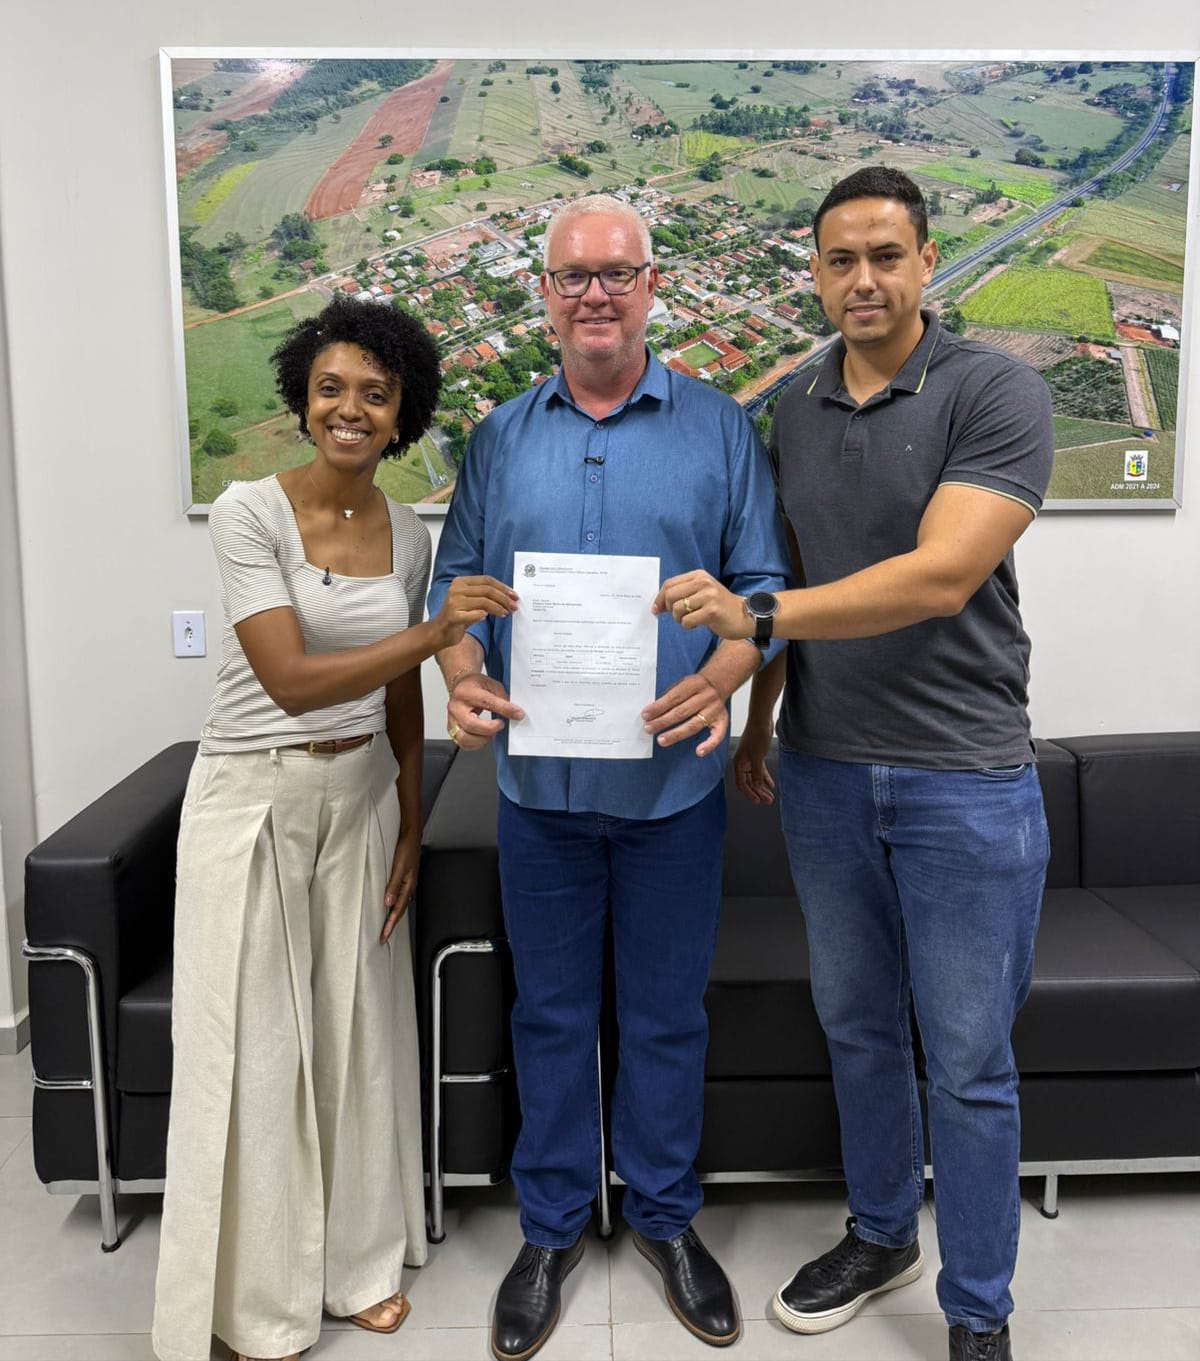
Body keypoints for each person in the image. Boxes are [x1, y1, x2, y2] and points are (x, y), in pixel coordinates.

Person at [655, 166, 1053, 1361]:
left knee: (969, 1060)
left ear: (927, 260)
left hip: (963, 777)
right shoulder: (797, 407)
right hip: (825, 772)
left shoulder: (994, 390)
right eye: (840, 259)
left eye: (886, 255)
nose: (863, 279)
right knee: (860, 1028)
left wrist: (757, 622)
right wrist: (763, 713)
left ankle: (977, 1309)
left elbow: (938, 576)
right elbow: (792, 576)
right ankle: (882, 1233)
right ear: (816, 274)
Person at [428, 193, 791, 1360]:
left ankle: (665, 1216)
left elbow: (763, 595)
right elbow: (455, 594)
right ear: (544, 293)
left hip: (672, 792)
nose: (595, 293)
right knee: (547, 1011)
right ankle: (550, 1228)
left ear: (651, 286)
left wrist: (724, 676)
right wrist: (464, 676)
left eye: (616, 273)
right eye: (573, 275)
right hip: (536, 791)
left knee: (666, 1014)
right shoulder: (498, 437)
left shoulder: (721, 429)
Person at [151, 296, 515, 1361]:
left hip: (361, 797)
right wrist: (438, 632)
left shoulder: (408, 532)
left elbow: (397, 692)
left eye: (376, 393)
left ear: (403, 412)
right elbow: (293, 678)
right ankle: (254, 1304)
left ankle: (357, 1269)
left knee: (359, 1039)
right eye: (331, 389)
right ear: (302, 398)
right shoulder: (248, 513)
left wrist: (409, 818)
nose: (351, 409)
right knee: (254, 1050)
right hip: (251, 798)